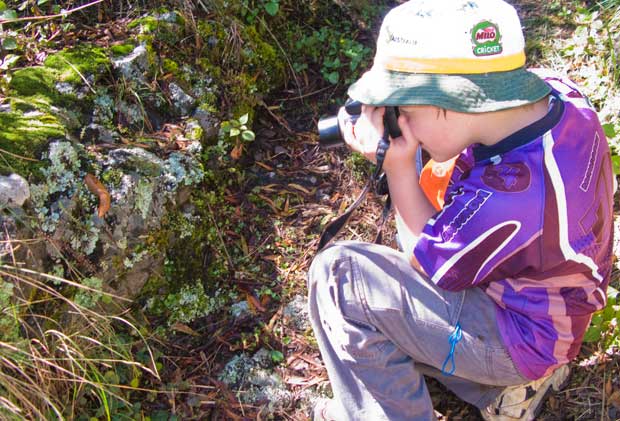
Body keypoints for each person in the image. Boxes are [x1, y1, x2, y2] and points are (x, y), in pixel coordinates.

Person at [307, 0, 615, 420]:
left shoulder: (508, 197)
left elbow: (425, 261)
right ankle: (504, 393)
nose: (400, 122)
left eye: (406, 112)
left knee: (340, 280)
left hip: (522, 339)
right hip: (550, 304)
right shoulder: (559, 94)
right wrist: (410, 140)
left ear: (451, 104)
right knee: (424, 163)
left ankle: (471, 390)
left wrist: (398, 165)